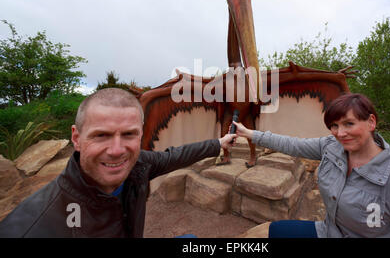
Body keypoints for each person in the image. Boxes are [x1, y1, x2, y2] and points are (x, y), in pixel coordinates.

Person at [0, 88, 237, 237]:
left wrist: (219, 143)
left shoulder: (140, 165)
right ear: (76, 138)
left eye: (128, 135)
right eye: (101, 135)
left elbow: (175, 155)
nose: (116, 151)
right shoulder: (33, 226)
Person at [233, 93, 390, 238]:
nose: (340, 133)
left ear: (371, 122)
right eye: (334, 125)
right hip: (329, 231)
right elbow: (293, 145)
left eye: (349, 124)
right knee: (277, 230)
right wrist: (250, 133)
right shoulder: (331, 147)